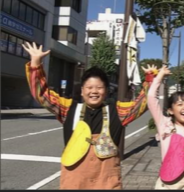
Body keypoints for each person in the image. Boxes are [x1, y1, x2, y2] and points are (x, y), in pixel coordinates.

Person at [23, 42, 156, 189]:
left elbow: (140, 105)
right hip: (74, 181)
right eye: (89, 87)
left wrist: (150, 79)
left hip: (106, 181)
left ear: (105, 91)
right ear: (82, 91)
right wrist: (36, 63)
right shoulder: (69, 109)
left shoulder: (117, 111)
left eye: (99, 88)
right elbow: (43, 96)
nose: (94, 91)